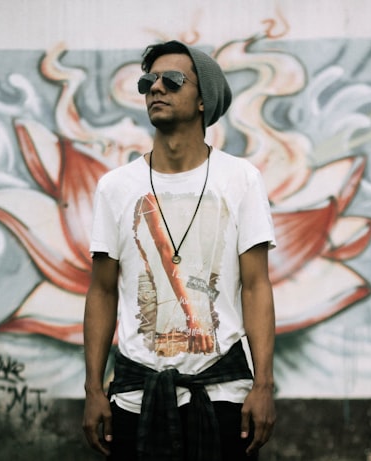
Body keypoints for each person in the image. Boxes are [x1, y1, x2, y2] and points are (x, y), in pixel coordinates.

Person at [82, 39, 277, 461]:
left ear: (204, 99)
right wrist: (94, 389)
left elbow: (257, 286)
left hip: (223, 394)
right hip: (136, 395)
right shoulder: (115, 188)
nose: (156, 88)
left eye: (172, 80)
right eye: (148, 81)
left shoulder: (240, 179)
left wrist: (263, 386)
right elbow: (101, 291)